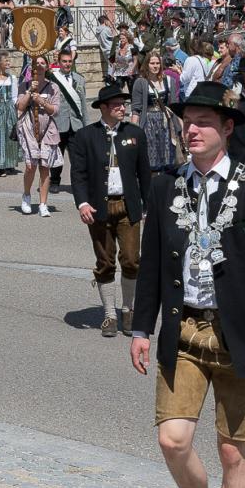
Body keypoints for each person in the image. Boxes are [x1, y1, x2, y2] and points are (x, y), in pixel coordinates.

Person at [130, 81, 245, 488]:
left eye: (203, 123)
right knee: (173, 440)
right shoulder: (165, 187)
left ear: (227, 128)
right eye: (188, 123)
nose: (192, 130)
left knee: (233, 453)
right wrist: (142, 328)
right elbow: (152, 265)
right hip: (184, 331)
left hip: (237, 334)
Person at [70, 84, 151, 336]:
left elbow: (144, 174)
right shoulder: (85, 136)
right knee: (105, 262)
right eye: (116, 105)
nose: (122, 109)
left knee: (131, 260)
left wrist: (148, 205)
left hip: (128, 206)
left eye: (123, 105)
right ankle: (109, 316)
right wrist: (82, 203)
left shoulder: (135, 133)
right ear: (103, 108)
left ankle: (128, 310)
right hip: (99, 207)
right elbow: (78, 174)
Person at [15, 56, 61, 216]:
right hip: (29, 128)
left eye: (43, 63)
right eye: (37, 63)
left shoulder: (53, 86)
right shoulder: (24, 85)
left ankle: (43, 203)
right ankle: (27, 195)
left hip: (47, 129)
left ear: (47, 67)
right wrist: (29, 93)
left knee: (45, 167)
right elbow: (20, 107)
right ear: (32, 67)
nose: (40, 66)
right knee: (30, 166)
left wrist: (42, 102)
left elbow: (55, 110)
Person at [131, 52, 180, 173]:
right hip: (148, 122)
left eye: (158, 63)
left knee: (169, 157)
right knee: (151, 158)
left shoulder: (169, 81)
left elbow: (174, 107)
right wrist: (132, 132)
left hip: (166, 122)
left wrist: (180, 128)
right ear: (147, 65)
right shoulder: (140, 82)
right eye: (152, 63)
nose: (155, 66)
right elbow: (136, 109)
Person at [48, 46, 88, 189]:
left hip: (76, 124)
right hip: (59, 123)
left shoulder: (79, 79)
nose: (67, 64)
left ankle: (77, 184)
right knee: (57, 155)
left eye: (69, 61)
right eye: (64, 61)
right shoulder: (52, 79)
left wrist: (86, 125)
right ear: (59, 62)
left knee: (77, 158)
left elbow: (83, 104)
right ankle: (54, 181)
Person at [109, 24, 137, 91]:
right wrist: (112, 73)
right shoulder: (117, 48)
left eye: (123, 38)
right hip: (119, 72)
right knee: (119, 90)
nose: (121, 40)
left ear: (127, 39)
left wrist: (132, 69)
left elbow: (135, 60)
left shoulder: (132, 48)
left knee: (132, 90)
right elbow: (115, 62)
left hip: (129, 72)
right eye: (120, 38)